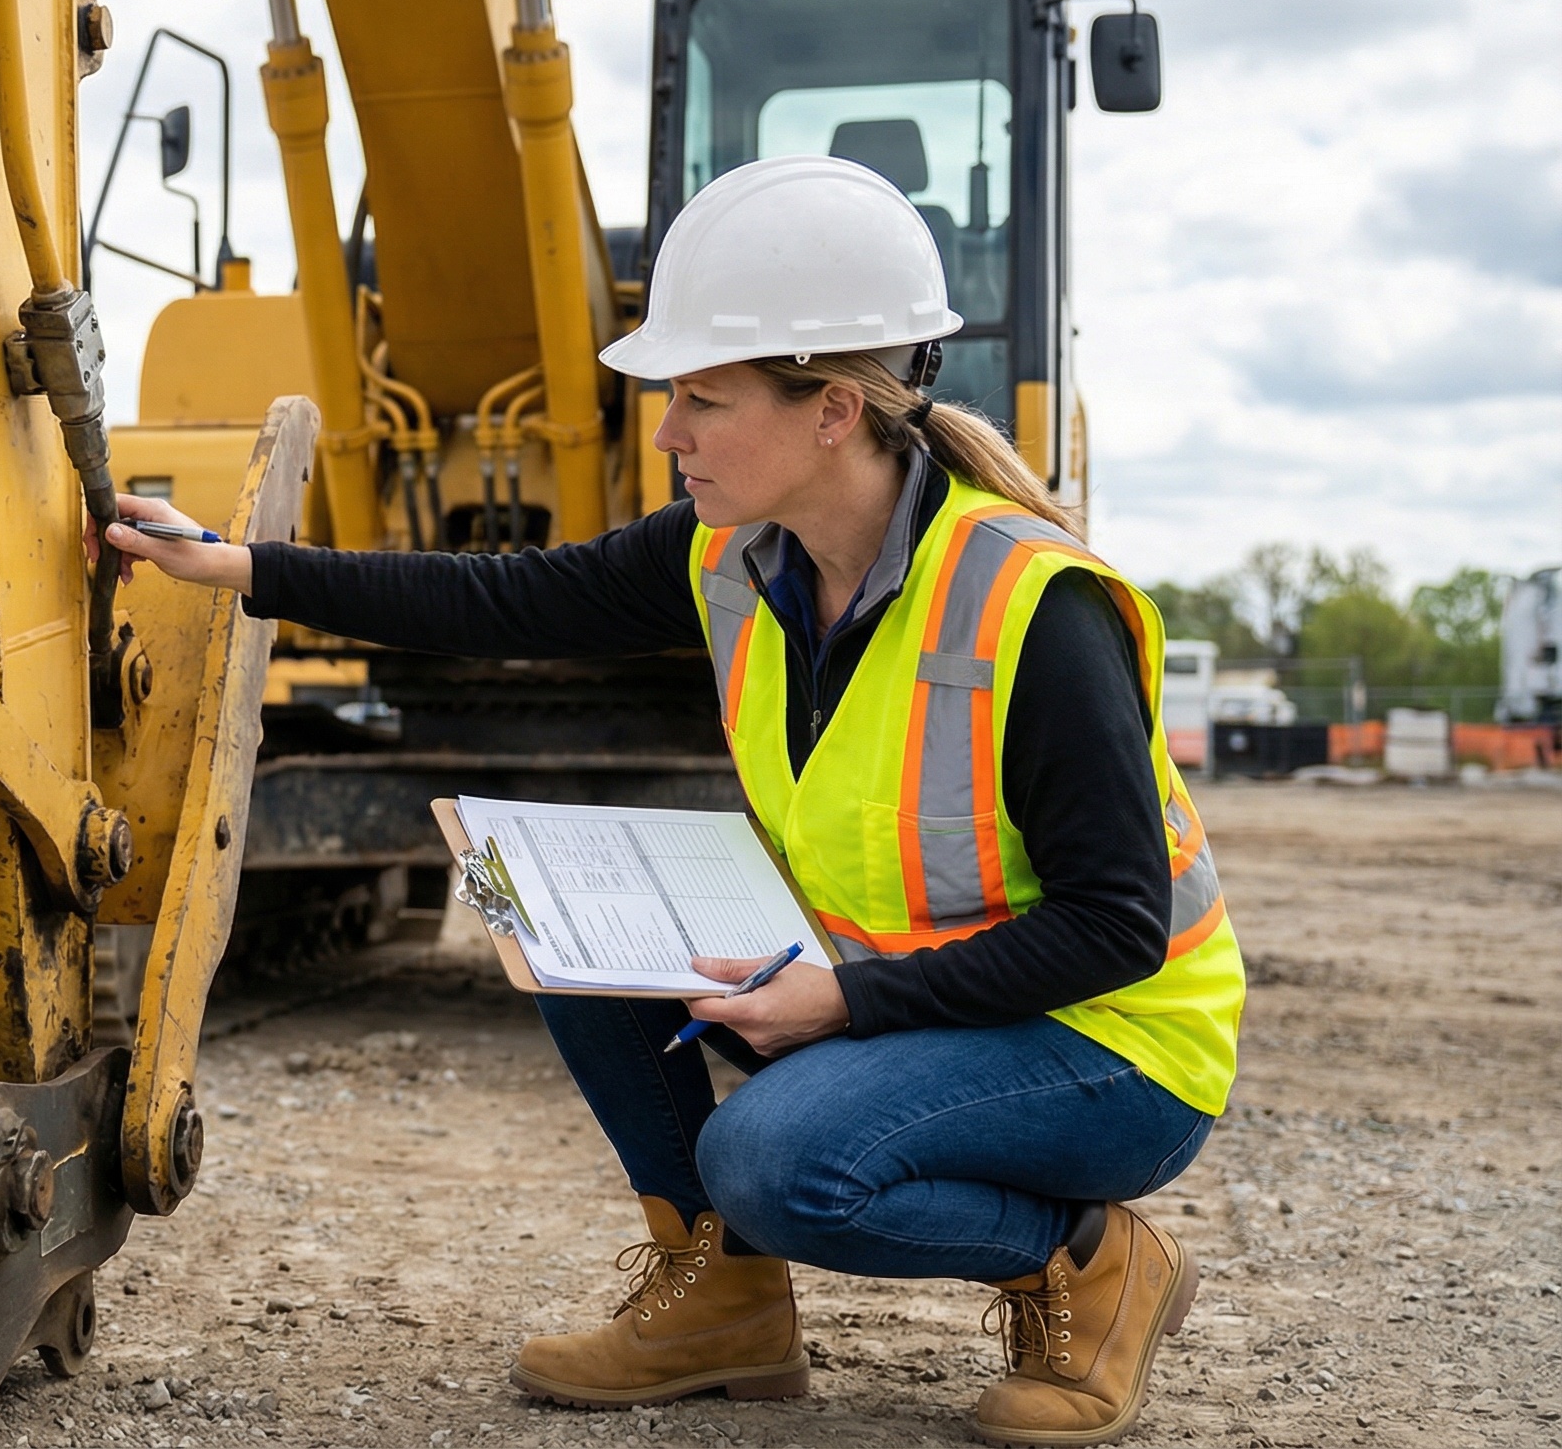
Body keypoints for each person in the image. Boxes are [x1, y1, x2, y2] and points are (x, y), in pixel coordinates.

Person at [97, 156, 1245, 1449]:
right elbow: (506, 601)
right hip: (919, 993)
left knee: (775, 1159)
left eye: (703, 398)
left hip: (1107, 1048)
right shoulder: (734, 555)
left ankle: (1090, 1262)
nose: (666, 434)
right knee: (543, 888)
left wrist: (845, 1003)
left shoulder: (1036, 609)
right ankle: (727, 1305)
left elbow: (1115, 928)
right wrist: (246, 565)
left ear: (833, 412)